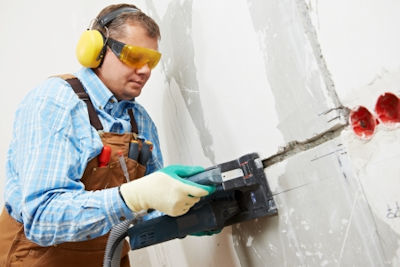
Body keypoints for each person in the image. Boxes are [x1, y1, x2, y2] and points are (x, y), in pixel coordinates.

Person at [0, 3, 214, 267]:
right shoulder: (55, 102)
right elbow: (42, 219)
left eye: (152, 61)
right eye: (135, 56)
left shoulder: (141, 122)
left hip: (107, 258)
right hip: (37, 258)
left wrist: (187, 217)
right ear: (97, 51)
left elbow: (145, 211)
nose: (146, 70)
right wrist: (132, 197)